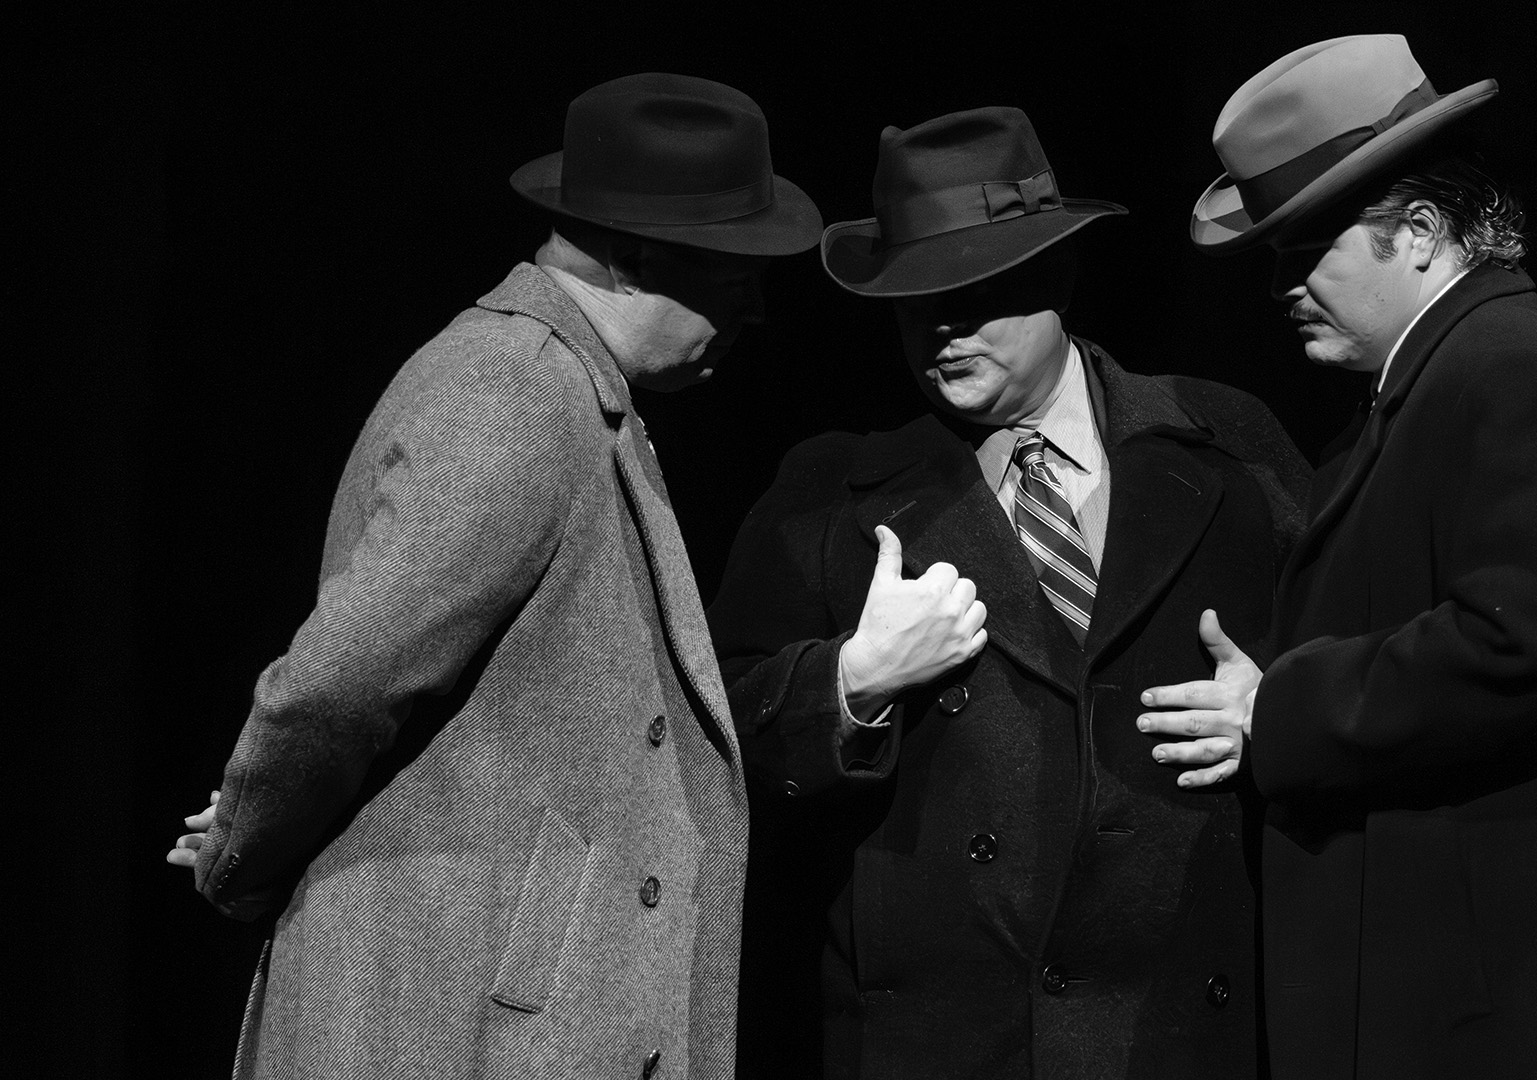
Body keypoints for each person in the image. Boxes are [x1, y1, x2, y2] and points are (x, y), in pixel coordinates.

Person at [164, 73, 822, 1079]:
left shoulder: (567, 385)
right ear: (637, 262)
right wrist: (245, 849)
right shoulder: (513, 388)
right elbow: (342, 675)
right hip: (447, 1012)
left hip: (485, 1004)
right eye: (737, 282)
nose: (755, 315)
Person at [1137, 33, 1537, 1078]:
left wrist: (1281, 709)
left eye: (1306, 247)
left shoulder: (1513, 375)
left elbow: (1526, 642)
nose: (1281, 285)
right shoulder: (1426, 385)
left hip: (1520, 1001)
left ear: (1418, 234)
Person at [706, 106, 1311, 1080]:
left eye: (972, 293)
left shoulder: (1226, 444)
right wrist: (852, 682)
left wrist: (1278, 711)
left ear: (1057, 279)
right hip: (946, 1037)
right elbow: (719, 733)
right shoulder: (829, 493)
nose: (941, 327)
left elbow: (1357, 653)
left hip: (1177, 1020)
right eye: (913, 301)